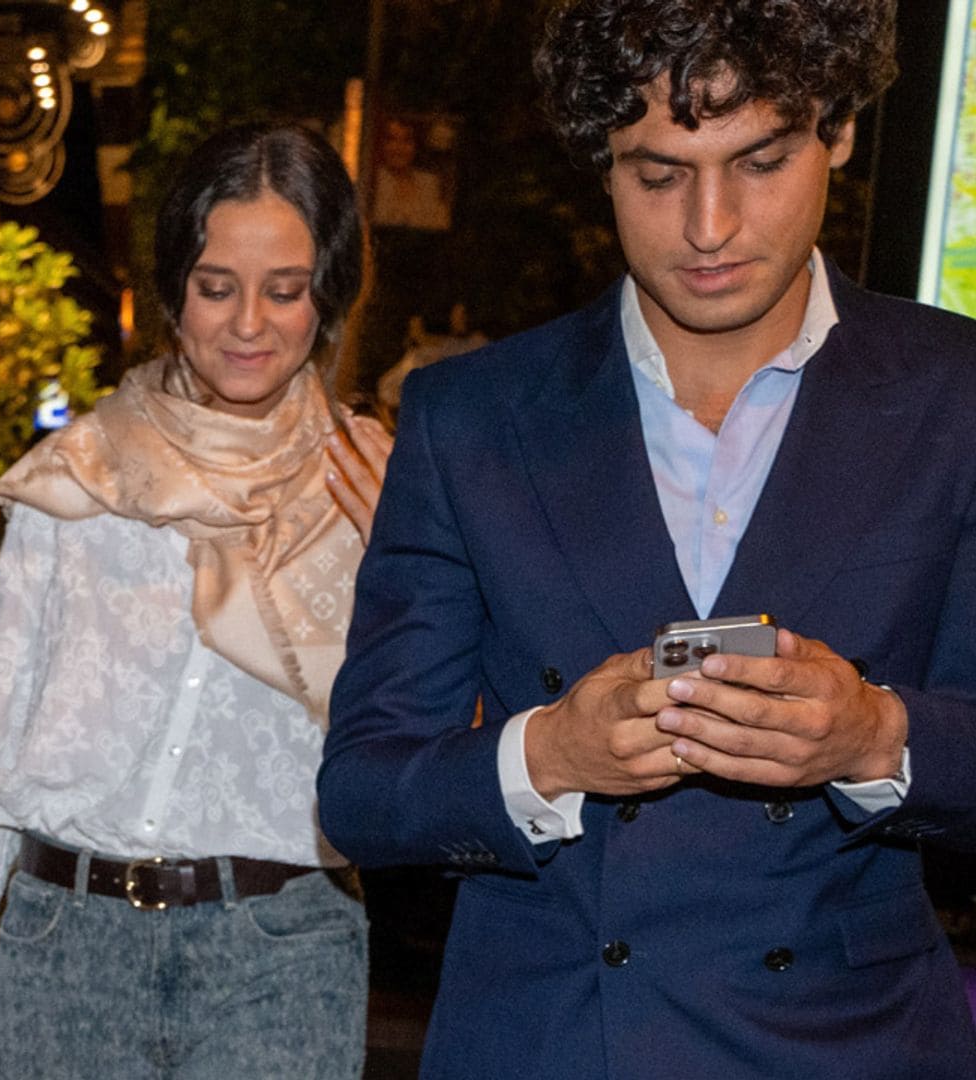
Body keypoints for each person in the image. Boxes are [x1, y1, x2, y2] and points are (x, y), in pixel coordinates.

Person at [320, 2, 976, 1076]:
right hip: (550, 1040)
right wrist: (549, 754)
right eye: (658, 176)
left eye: (759, 161)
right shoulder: (474, 417)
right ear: (600, 161)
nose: (709, 226)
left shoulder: (957, 397)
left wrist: (876, 737)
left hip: (848, 1044)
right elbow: (363, 792)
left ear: (842, 130)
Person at [0, 121, 392, 1080]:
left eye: (285, 291)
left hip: (283, 958)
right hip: (64, 946)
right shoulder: (80, 474)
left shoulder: (374, 486)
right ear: (175, 290)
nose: (248, 323)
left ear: (326, 298)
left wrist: (403, 568)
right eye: (217, 287)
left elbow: (415, 736)